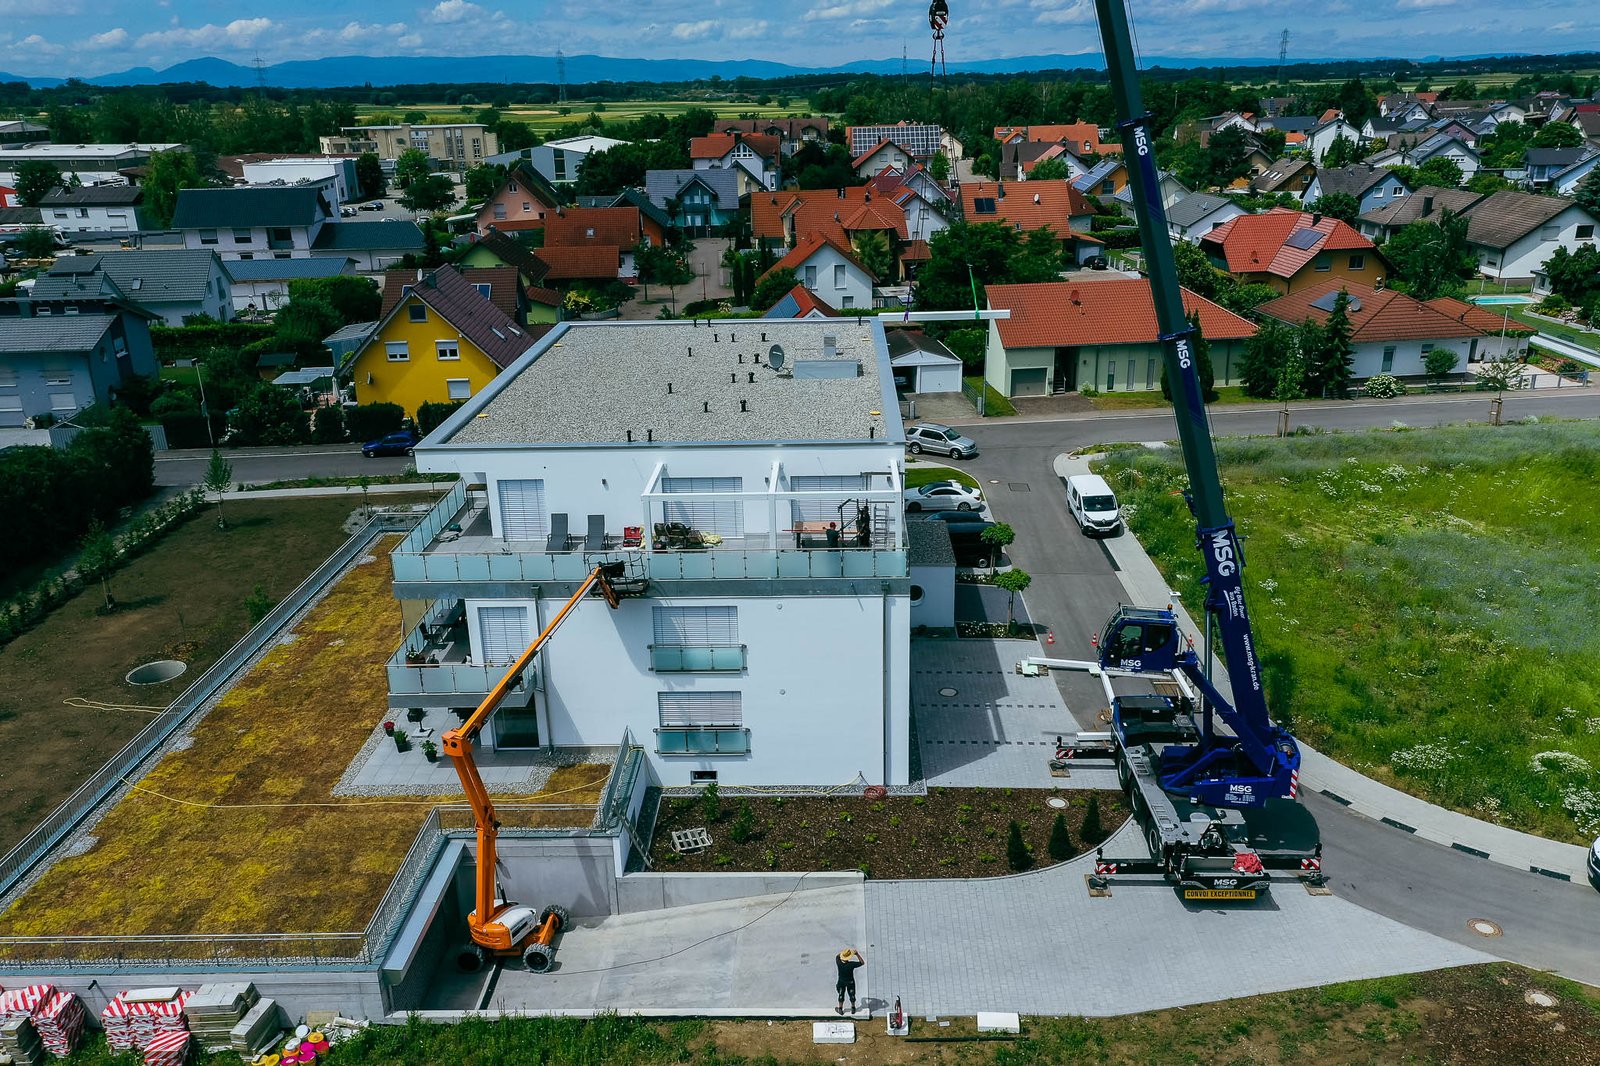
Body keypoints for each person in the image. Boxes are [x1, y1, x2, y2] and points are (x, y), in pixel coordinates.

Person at [835, 947, 865, 1015]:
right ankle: (853, 1008)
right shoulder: (851, 964)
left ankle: (840, 1009)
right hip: (850, 982)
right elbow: (862, 962)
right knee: (852, 995)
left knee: (841, 995)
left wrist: (844, 953)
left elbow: (837, 956)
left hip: (841, 981)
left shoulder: (838, 962)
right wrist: (857, 954)